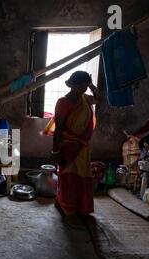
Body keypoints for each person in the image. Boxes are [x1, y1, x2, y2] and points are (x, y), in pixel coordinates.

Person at [43, 71, 101, 221]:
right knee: (67, 175)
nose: (82, 89)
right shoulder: (63, 103)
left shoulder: (86, 99)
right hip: (68, 146)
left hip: (83, 148)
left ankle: (82, 207)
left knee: (82, 176)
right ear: (72, 85)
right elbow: (59, 129)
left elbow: (99, 99)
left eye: (85, 86)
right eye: (80, 86)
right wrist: (55, 151)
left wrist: (92, 87)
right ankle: (67, 206)